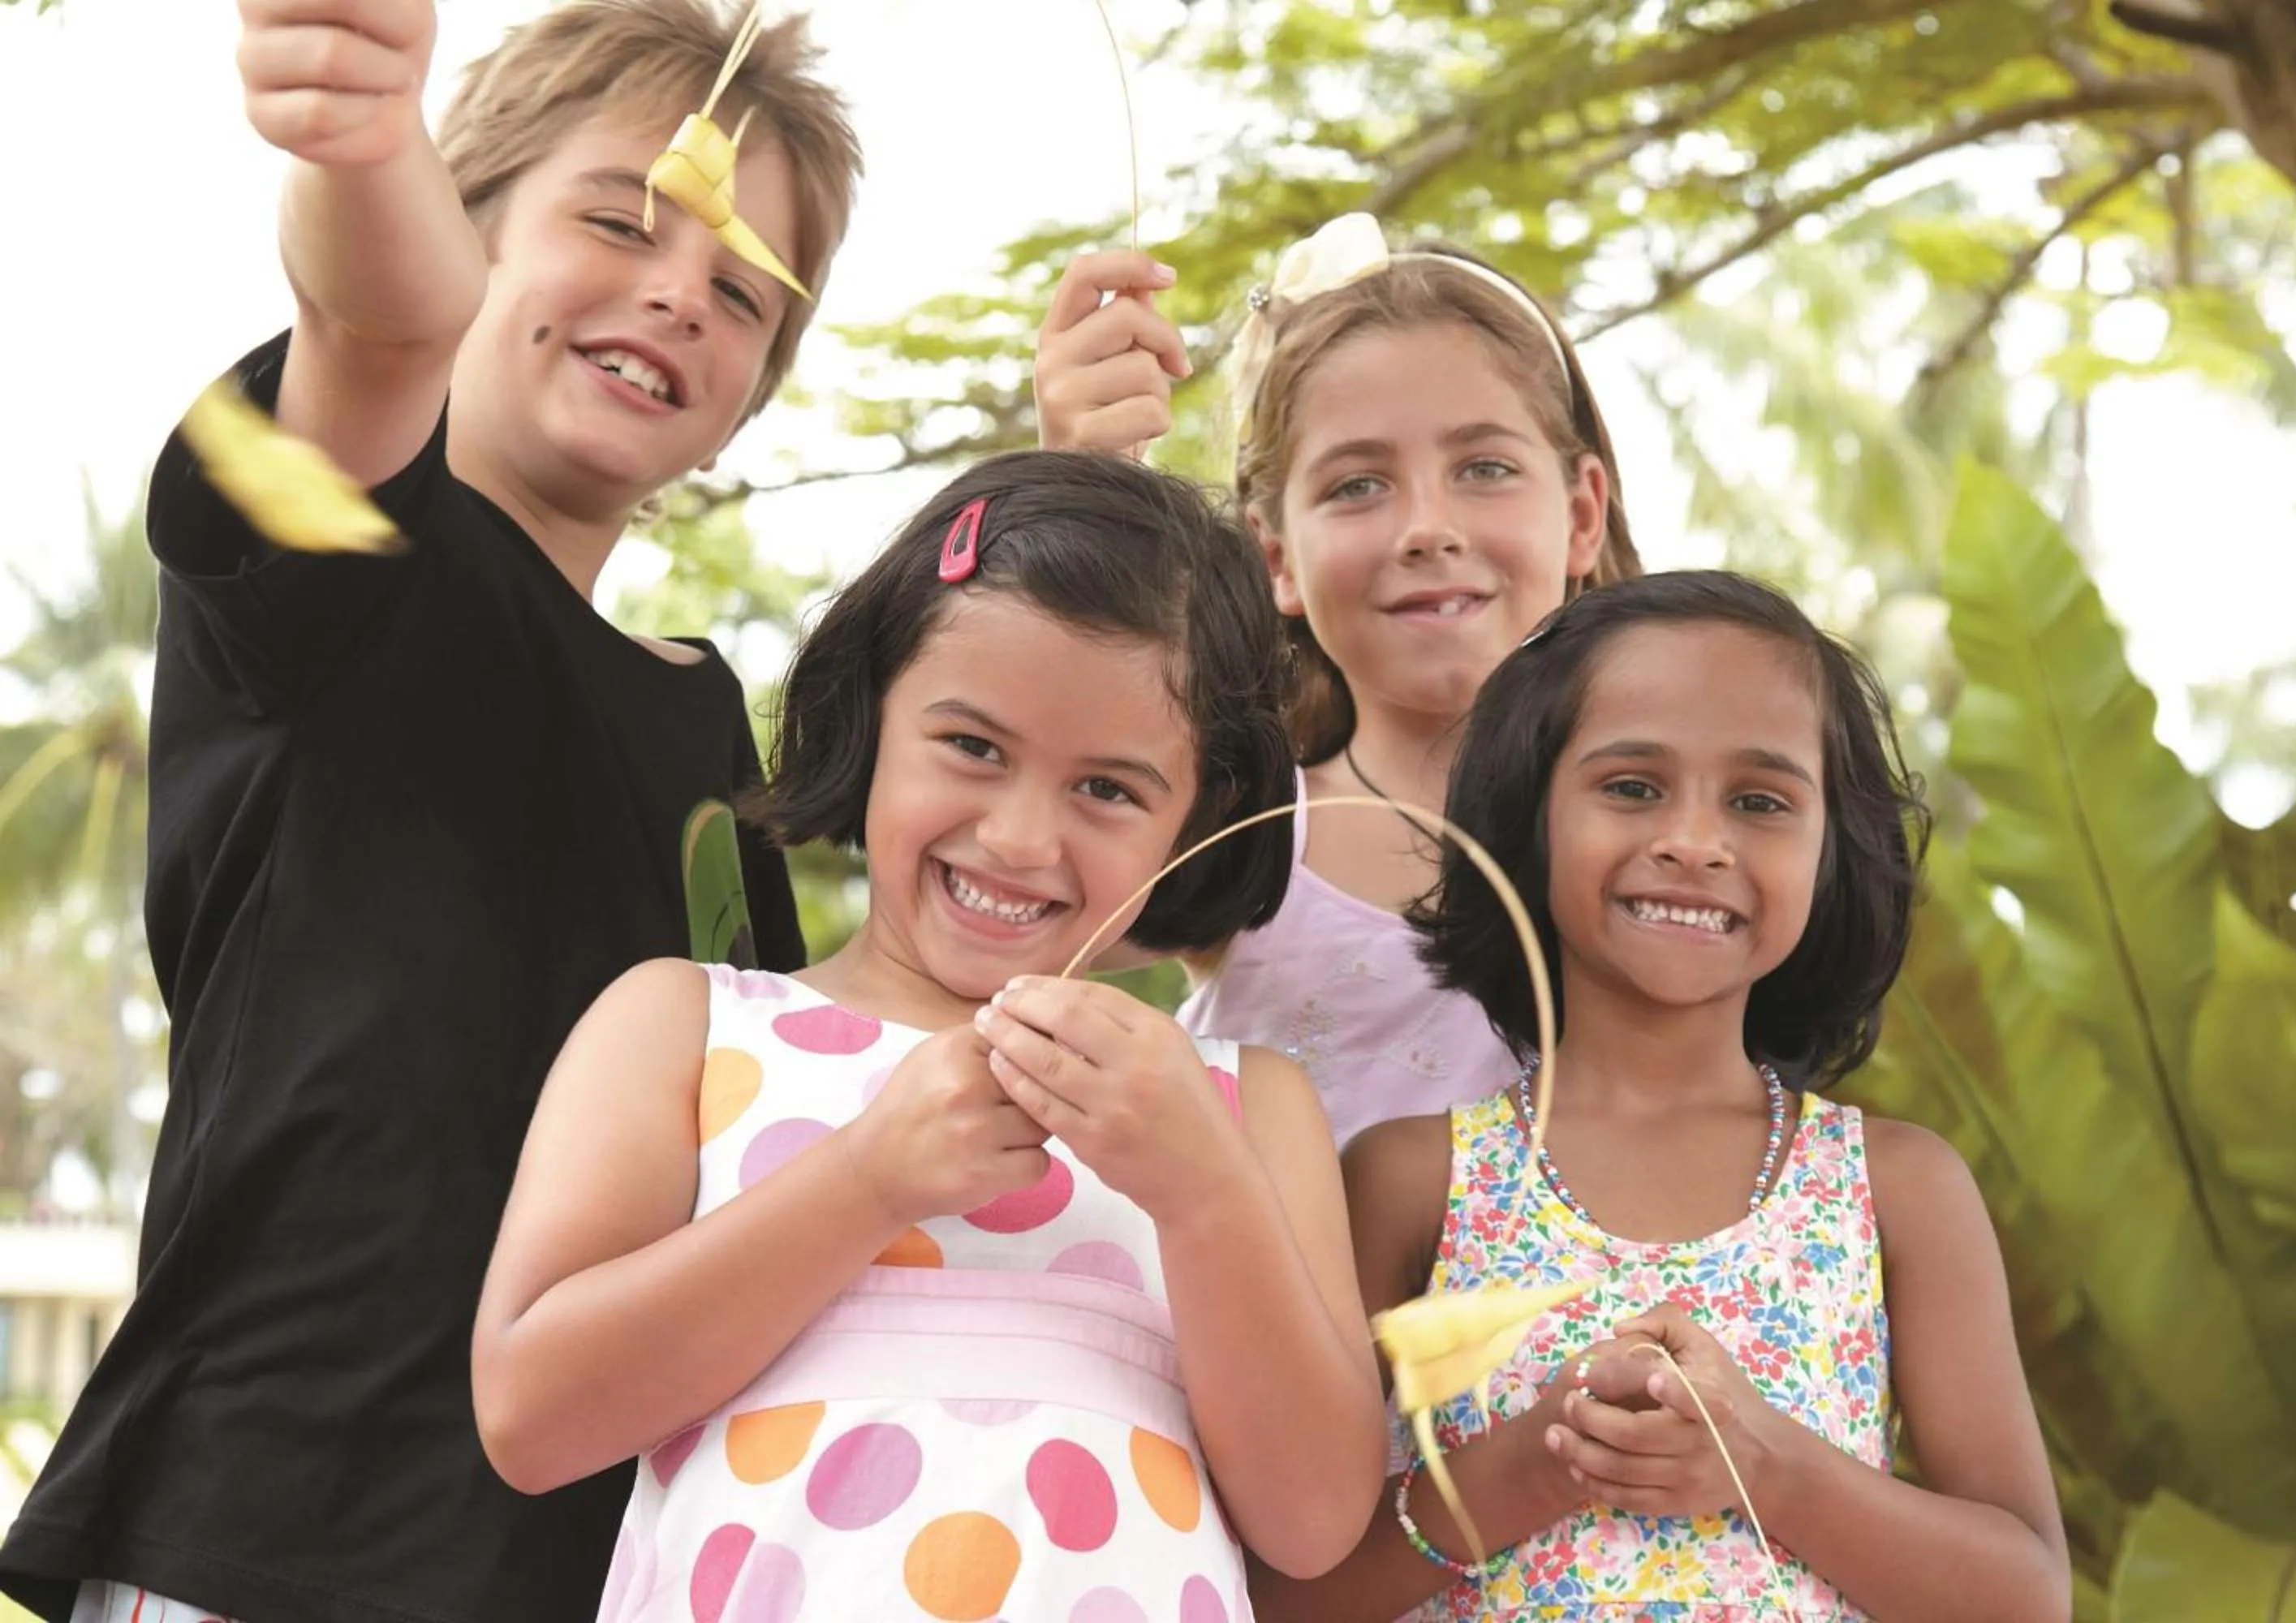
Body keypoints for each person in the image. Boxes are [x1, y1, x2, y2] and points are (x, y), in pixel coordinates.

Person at [0, 3, 859, 1620]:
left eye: (744, 289)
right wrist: (364, 137)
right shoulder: (341, 556)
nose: (680, 286)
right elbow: (378, 333)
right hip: (273, 1538)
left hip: (614, 1569)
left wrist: (1074, 484)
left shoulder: (714, 739)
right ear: (466, 231)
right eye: (616, 215)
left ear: (751, 390)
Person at [470, 451, 1386, 1621]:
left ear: (1198, 817)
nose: (1016, 836)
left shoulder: (1243, 1106)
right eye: (972, 747)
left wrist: (1204, 1192)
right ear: (872, 715)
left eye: (1108, 789)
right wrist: (865, 1180)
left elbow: (1312, 1526)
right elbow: (532, 1420)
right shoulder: (685, 1026)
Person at [1257, 571, 2070, 1621]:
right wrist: (1523, 1474)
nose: (1695, 839)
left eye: (1760, 801)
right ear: (1529, 813)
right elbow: (1278, 1593)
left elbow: (2026, 1597)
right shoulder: (1413, 1179)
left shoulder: (1897, 1189)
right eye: (1633, 786)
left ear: (1833, 853)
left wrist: (1766, 1465)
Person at [1035, 213, 1639, 1145]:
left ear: (1582, 512)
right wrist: (1076, 499)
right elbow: (1013, 901)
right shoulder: (1242, 828)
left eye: (1484, 467)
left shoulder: (1671, 828)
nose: (1426, 528)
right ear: (1275, 554)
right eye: (1358, 484)